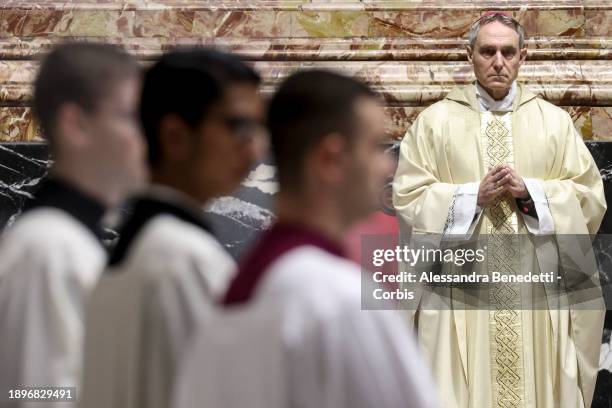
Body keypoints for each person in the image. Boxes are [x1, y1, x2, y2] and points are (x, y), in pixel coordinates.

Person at [173, 70, 439, 408]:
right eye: (374, 147)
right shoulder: (336, 299)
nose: (388, 167)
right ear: (330, 160)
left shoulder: (230, 300)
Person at [392, 12, 606, 408]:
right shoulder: (434, 123)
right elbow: (408, 198)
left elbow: (590, 198)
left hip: (536, 291)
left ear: (522, 57)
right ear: (469, 55)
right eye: (487, 51)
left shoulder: (554, 123)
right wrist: (469, 197)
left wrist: (533, 194)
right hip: (460, 290)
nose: (498, 61)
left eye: (508, 52)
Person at [80, 48, 265, 408]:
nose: (254, 149)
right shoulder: (183, 261)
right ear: (176, 135)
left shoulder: (142, 249)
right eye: (239, 127)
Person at [0, 43, 146, 405]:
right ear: (76, 124)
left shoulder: (65, 241)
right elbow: (34, 394)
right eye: (132, 117)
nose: (149, 138)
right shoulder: (48, 250)